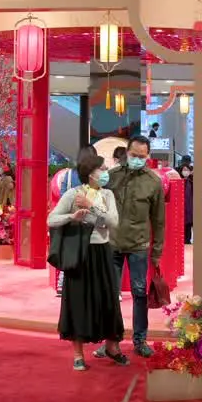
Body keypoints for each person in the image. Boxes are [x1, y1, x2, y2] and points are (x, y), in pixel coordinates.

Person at [47, 150, 127, 371]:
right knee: (78, 301)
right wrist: (71, 217)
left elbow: (113, 222)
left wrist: (90, 206)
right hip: (80, 254)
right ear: (90, 173)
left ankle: (112, 346)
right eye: (101, 169)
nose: (105, 173)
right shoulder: (73, 194)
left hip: (102, 252)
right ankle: (78, 354)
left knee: (108, 300)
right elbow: (52, 219)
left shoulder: (107, 195)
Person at [95, 135, 165, 358]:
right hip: (112, 244)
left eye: (142, 157)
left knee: (139, 293)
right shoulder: (112, 177)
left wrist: (156, 253)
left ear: (148, 157)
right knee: (110, 294)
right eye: (134, 155)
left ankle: (140, 340)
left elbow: (159, 221)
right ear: (126, 153)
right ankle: (110, 341)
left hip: (139, 246)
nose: (137, 159)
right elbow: (99, 206)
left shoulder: (154, 182)